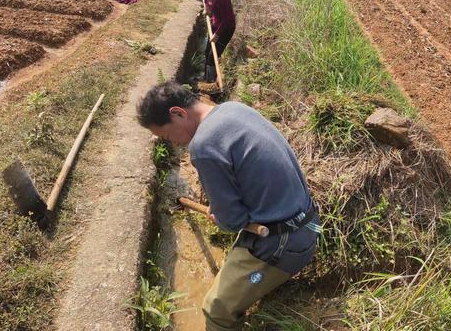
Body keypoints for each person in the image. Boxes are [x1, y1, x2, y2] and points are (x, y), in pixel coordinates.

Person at [137, 82, 321, 331]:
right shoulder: (232, 109)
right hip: (307, 224)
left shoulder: (203, 145)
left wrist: (221, 215)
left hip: (282, 242)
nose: (175, 144)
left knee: (216, 308)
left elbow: (232, 221)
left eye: (169, 137)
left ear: (178, 113)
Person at [196, 0, 236, 84]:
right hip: (214, 25)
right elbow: (206, 1)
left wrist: (217, 35)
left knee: (212, 57)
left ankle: (210, 84)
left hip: (225, 29)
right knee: (207, 51)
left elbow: (227, 20)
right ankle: (205, 78)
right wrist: (207, 10)